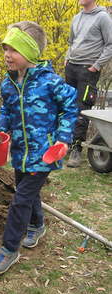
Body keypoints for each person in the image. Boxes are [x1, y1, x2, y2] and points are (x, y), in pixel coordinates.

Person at [0, 21, 78, 275]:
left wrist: (63, 137)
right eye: (5, 48)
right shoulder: (8, 84)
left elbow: (71, 104)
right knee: (26, 191)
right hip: (20, 153)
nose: (7, 54)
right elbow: (7, 111)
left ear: (30, 53)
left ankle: (9, 249)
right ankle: (37, 225)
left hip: (44, 153)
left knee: (20, 200)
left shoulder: (50, 82)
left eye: (13, 49)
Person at [65, 0, 112, 168]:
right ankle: (65, 145)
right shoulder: (76, 17)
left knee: (81, 108)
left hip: (88, 70)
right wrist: (66, 60)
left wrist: (96, 66)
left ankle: (77, 149)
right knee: (67, 107)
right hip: (71, 68)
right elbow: (71, 42)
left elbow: (110, 44)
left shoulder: (103, 18)